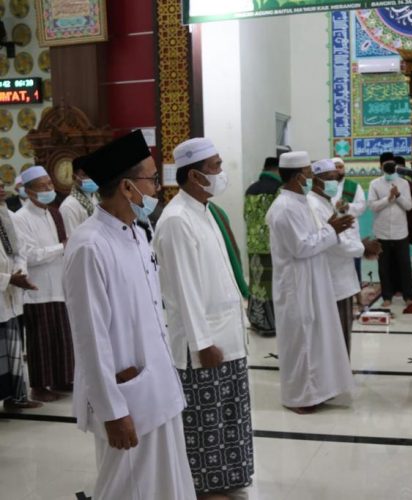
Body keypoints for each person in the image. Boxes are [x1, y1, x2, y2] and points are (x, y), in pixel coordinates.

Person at [63, 130, 195, 499]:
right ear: (126, 187)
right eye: (151, 179)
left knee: (165, 482)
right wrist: (112, 410)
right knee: (127, 488)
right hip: (127, 397)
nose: (156, 188)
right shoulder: (90, 246)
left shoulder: (136, 233)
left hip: (157, 386)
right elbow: (89, 337)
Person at [154, 138, 253, 499]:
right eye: (216, 166)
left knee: (229, 413)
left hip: (227, 333)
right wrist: (202, 343)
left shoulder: (205, 210)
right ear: (195, 175)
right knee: (205, 417)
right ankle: (205, 486)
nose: (222, 172)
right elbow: (183, 291)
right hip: (204, 342)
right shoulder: (177, 220)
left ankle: (227, 478)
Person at [265, 151, 356, 414]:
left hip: (313, 279)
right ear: (297, 177)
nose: (311, 178)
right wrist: (333, 230)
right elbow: (301, 247)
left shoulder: (300, 201)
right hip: (296, 285)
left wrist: (329, 226)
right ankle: (300, 398)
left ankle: (319, 390)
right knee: (302, 340)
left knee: (317, 339)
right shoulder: (283, 208)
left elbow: (312, 236)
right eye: (308, 173)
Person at [14, 166, 74, 402]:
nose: (49, 189)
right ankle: (39, 386)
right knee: (41, 342)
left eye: (50, 184)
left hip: (59, 286)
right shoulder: (20, 218)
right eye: (43, 186)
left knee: (62, 337)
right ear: (29, 192)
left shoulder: (53, 213)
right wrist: (61, 248)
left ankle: (62, 379)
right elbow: (29, 255)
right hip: (37, 290)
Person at [308, 159, 379, 357]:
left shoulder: (325, 201)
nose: (334, 183)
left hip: (341, 280)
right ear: (316, 180)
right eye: (329, 179)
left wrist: (359, 244)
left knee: (342, 334)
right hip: (332, 281)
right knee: (335, 335)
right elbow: (333, 242)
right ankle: (335, 379)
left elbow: (343, 233)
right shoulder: (314, 205)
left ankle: (340, 376)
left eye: (335, 179)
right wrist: (362, 247)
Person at [0, 182, 41, 410]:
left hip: (11, 294)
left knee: (13, 351)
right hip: (5, 288)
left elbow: (19, 250)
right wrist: (8, 278)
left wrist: (20, 272)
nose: (2, 188)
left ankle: (15, 398)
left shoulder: (5, 215)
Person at [368, 159, 412, 307]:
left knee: (405, 264)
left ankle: (408, 296)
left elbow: (409, 206)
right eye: (386, 170)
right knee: (384, 266)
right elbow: (372, 206)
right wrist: (388, 199)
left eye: (391, 170)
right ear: (381, 169)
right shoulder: (374, 184)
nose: (389, 173)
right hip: (381, 232)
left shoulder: (404, 183)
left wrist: (398, 195)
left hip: (400, 231)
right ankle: (387, 297)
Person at [245, 156, 282, 336]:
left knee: (256, 284)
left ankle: (256, 321)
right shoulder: (278, 189)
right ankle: (270, 324)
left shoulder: (250, 189)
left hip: (252, 245)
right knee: (271, 285)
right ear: (276, 170)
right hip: (271, 246)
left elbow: (246, 216)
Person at [331, 156, 367, 304]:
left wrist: (347, 207)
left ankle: (358, 296)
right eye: (336, 167)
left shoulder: (353, 186)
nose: (339, 170)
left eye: (341, 167)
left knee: (354, 263)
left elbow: (362, 206)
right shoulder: (326, 187)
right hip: (333, 230)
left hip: (350, 230)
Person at [59, 154, 100, 237]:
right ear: (74, 177)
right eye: (85, 175)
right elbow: (72, 239)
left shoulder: (98, 197)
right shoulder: (69, 206)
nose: (91, 178)